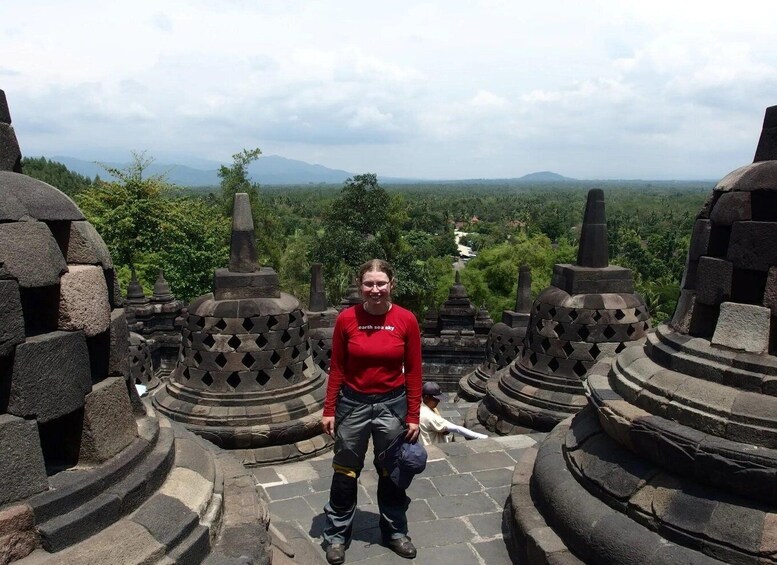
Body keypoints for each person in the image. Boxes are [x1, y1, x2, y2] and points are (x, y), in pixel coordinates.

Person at [321, 259, 423, 564]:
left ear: (391, 284)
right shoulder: (347, 319)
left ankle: (394, 531)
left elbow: (415, 371)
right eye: (369, 283)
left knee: (392, 471)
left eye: (381, 283)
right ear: (359, 285)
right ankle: (337, 536)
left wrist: (414, 415)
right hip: (352, 404)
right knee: (345, 471)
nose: (375, 290)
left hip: (392, 405)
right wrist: (329, 409)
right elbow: (337, 366)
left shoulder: (406, 320)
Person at [419, 381, 488, 445]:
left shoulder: (420, 407)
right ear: (426, 397)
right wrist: (482, 437)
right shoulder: (429, 416)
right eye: (436, 399)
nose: (438, 401)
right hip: (436, 447)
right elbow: (457, 429)